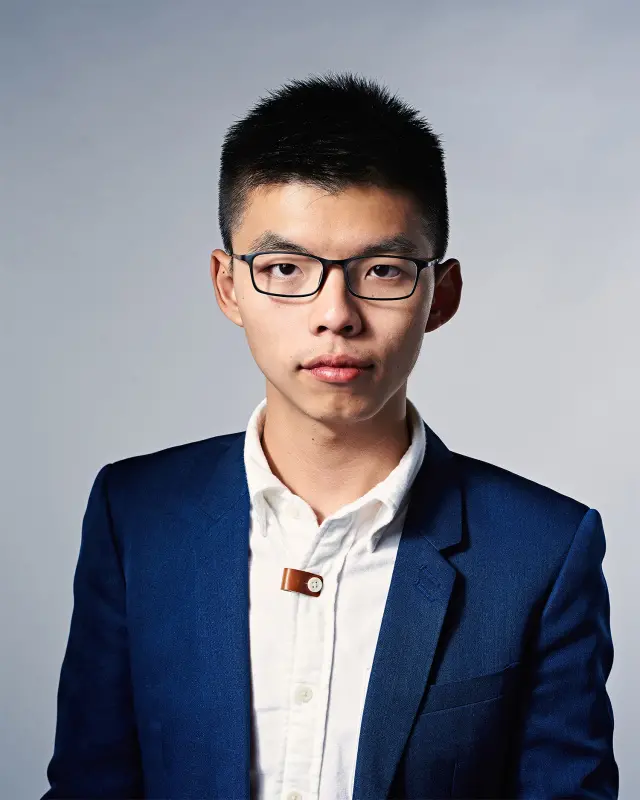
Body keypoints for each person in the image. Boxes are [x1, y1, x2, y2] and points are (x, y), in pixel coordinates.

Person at [41, 72, 618, 800]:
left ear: (441, 294)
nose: (335, 314)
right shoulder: (136, 514)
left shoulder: (543, 549)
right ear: (228, 286)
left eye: (381, 270)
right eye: (286, 268)